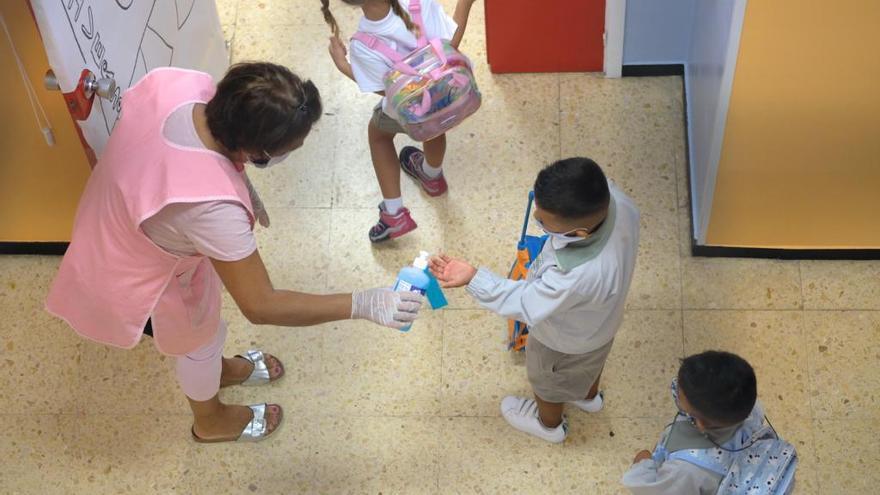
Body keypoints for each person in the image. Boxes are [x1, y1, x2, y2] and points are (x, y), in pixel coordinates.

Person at [46, 62, 423, 443]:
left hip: (118, 216)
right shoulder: (211, 208)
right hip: (141, 275)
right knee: (198, 341)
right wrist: (361, 303)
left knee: (207, 329)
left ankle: (219, 370)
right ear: (254, 150)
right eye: (288, 149)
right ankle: (210, 420)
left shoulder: (181, 86)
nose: (292, 152)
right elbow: (261, 305)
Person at [430, 157, 640, 442]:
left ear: (579, 234)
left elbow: (526, 302)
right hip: (602, 326)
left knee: (548, 383)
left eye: (543, 223)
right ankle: (589, 398)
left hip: (562, 341)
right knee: (591, 364)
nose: (538, 220)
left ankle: (548, 425)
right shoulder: (619, 202)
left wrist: (472, 277)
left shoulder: (574, 273)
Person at [322, 0, 478, 242]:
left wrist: (344, 66)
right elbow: (450, 46)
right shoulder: (419, 3)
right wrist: (464, 5)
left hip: (410, 111)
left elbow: (387, 92)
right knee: (435, 130)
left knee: (378, 135)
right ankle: (432, 176)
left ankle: (394, 215)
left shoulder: (363, 44)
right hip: (449, 95)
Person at [622, 351, 763, 494]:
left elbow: (650, 489)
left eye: (679, 391)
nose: (675, 387)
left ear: (700, 423)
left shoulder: (685, 470)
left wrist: (643, 459)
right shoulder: (744, 404)